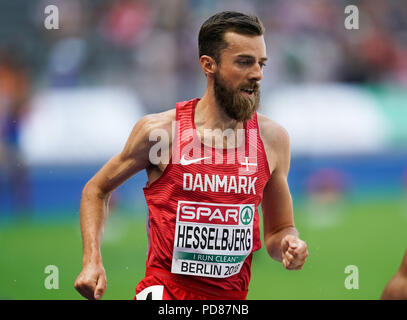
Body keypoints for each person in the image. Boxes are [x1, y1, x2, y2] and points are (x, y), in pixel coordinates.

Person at [74, 11, 308, 300]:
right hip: (164, 294)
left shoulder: (272, 139)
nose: (257, 74)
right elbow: (96, 189)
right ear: (208, 65)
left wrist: (289, 243)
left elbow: (279, 229)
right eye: (244, 62)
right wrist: (92, 261)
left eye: (261, 63)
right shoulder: (161, 133)